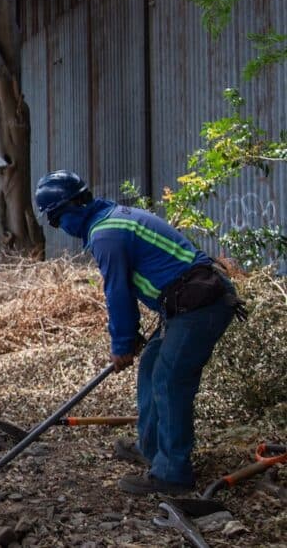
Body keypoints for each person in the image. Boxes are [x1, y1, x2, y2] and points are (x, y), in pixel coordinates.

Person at [34, 170, 246, 496]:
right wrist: (131, 340)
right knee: (151, 365)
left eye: (55, 220)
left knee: (170, 379)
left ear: (72, 208)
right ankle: (151, 449)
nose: (59, 228)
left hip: (201, 304)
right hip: (185, 304)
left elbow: (118, 294)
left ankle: (172, 474)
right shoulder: (113, 218)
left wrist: (121, 344)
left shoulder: (107, 234)